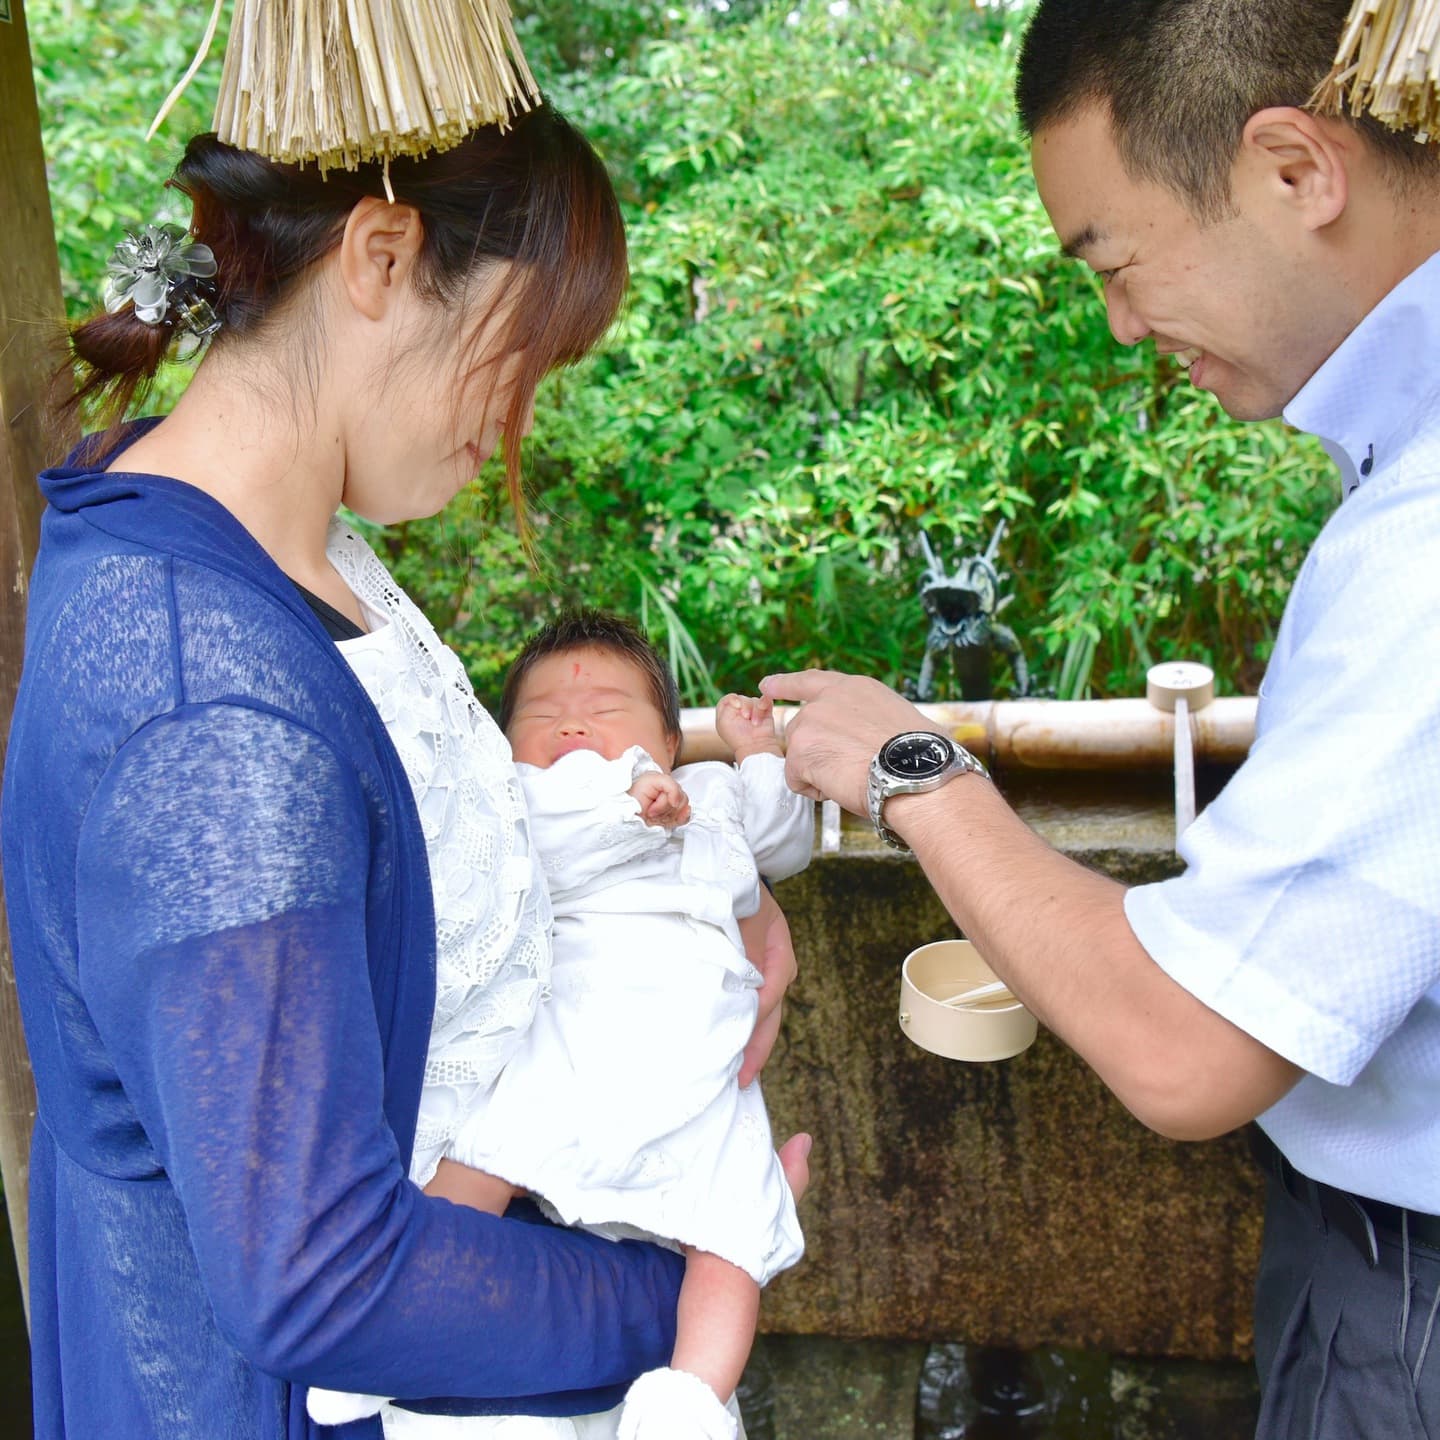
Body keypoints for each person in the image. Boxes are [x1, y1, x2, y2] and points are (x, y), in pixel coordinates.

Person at [0, 106, 804, 1440]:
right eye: (524, 355)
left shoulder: (279, 550)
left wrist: (734, 922)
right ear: (378, 257)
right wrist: (660, 1292)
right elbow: (316, 1276)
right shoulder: (210, 708)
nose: (515, 425)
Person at [760, 2, 1440, 1436]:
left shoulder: (1428, 540)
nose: (1123, 324)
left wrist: (914, 768)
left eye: (1117, 262)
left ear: (1294, 170)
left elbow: (1190, 1048)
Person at [310, 611, 812, 1439]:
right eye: (540, 715)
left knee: (734, 1232)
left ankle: (688, 1397)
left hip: (699, 1068)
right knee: (476, 1167)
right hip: (565, 1041)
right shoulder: (512, 803)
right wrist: (627, 809)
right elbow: (552, 838)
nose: (572, 722)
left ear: (673, 742)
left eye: (609, 708)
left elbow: (782, 842)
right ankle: (376, 1336)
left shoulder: (712, 795)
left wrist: (759, 755)